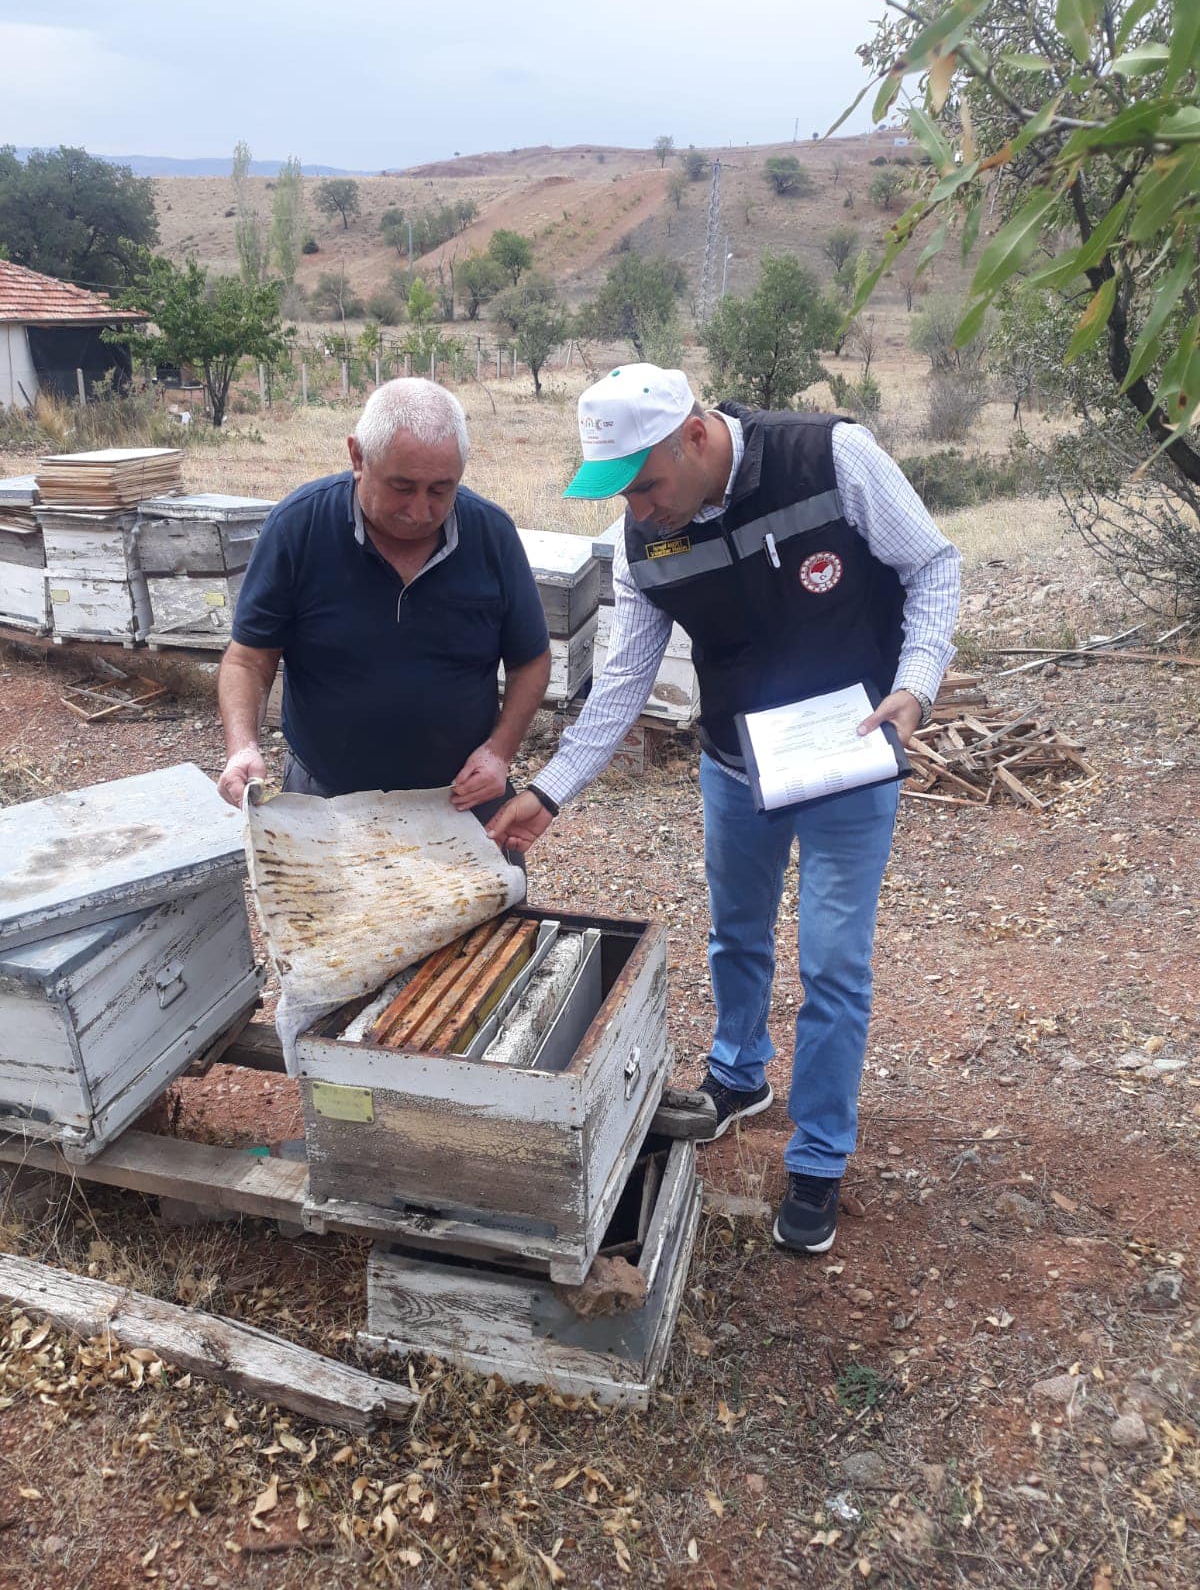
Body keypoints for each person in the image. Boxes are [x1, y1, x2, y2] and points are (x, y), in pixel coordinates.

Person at [487, 364, 961, 1254]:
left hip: (849, 756)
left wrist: (916, 686)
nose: (638, 509)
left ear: (696, 436)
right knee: (737, 933)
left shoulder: (830, 458)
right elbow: (621, 683)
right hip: (737, 766)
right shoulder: (641, 545)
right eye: (620, 494)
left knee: (832, 966)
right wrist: (549, 791)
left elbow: (933, 564)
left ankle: (819, 1157)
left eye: (647, 484)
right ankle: (741, 1073)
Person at [217, 378, 550, 830]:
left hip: (461, 797)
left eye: (440, 490)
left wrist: (499, 752)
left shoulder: (492, 535)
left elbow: (531, 660)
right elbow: (248, 659)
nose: (420, 510)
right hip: (326, 796)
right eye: (402, 486)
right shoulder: (298, 527)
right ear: (357, 457)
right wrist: (242, 747)